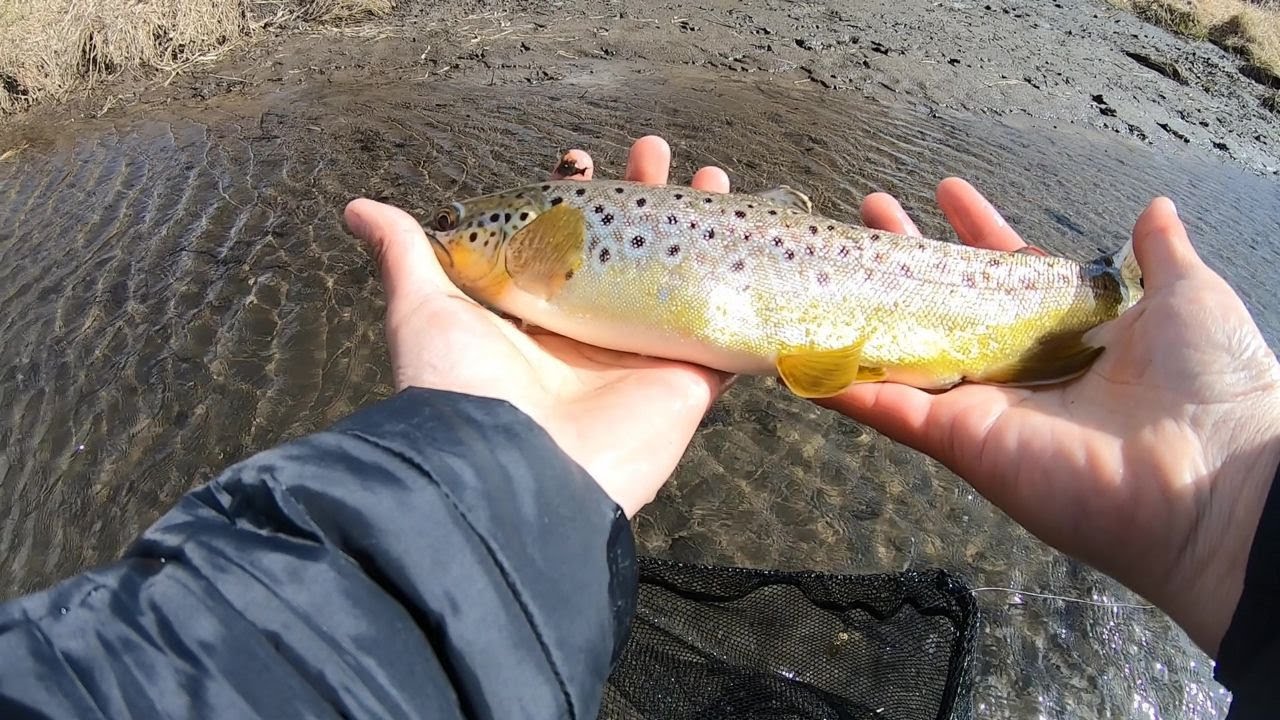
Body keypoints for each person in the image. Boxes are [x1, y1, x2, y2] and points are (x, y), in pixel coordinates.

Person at [0, 135, 1275, 718]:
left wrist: (1230, 494)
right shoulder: (531, 251)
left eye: (464, 232)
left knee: (1003, 304)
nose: (448, 244)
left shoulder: (536, 239)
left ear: (525, 237)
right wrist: (1226, 509)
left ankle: (1076, 302)